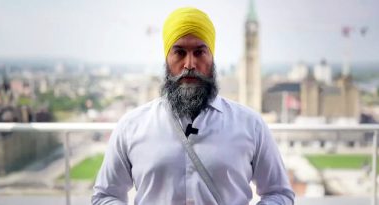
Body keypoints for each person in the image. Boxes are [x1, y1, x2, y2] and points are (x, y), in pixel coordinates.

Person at [92, 7, 295, 205]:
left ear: (212, 57)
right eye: (179, 52)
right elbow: (105, 196)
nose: (189, 64)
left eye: (199, 52)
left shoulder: (251, 125)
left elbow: (279, 194)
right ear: (166, 58)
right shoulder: (131, 127)